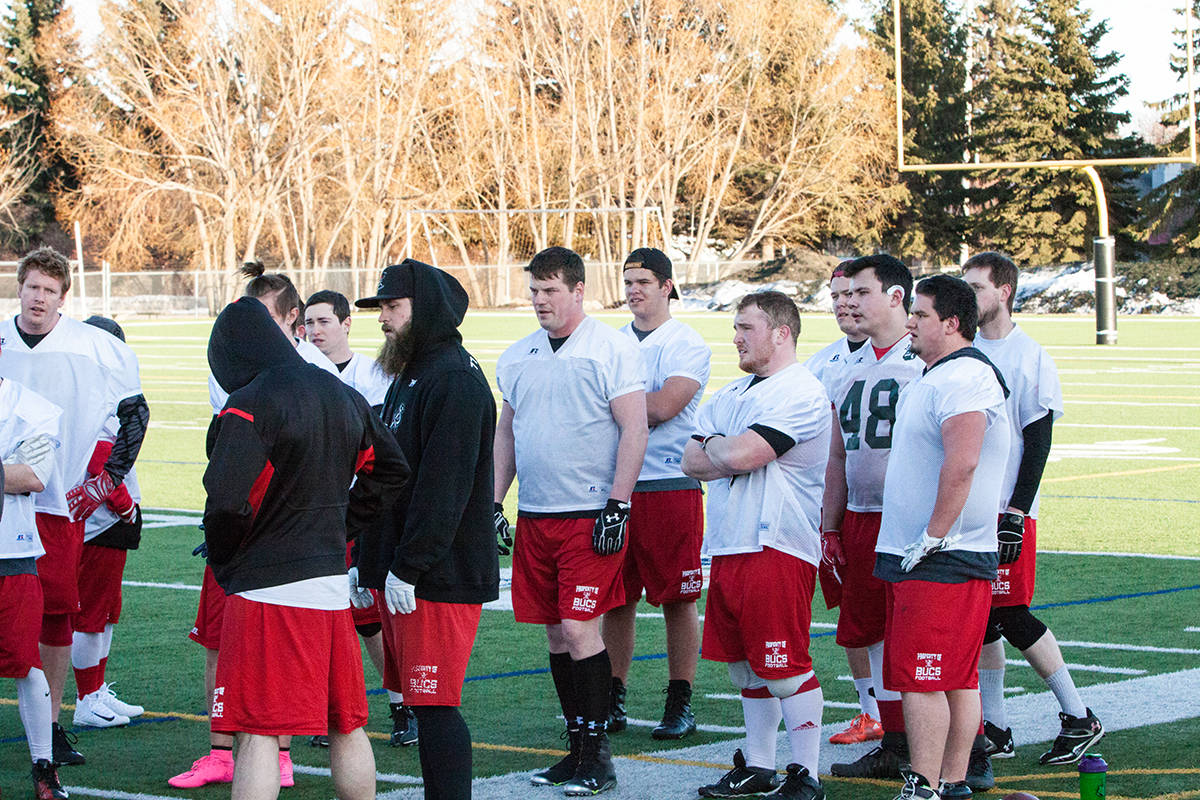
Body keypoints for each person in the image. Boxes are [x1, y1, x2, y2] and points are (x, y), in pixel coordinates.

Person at [202, 296, 408, 800]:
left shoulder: (249, 401)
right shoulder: (340, 393)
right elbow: (392, 471)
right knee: (347, 722)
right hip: (328, 583)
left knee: (258, 730)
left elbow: (226, 502)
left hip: (266, 585)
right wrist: (341, 527)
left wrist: (228, 558)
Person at [173, 266, 340, 789]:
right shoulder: (229, 368)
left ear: (290, 318)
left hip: (284, 538)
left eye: (265, 316)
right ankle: (221, 749)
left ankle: (278, 751)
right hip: (237, 532)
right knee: (216, 637)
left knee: (284, 654)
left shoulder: (317, 371)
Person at [493, 246, 647, 796]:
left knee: (581, 629)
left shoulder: (611, 348)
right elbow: (507, 432)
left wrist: (619, 502)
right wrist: (495, 501)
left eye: (551, 290)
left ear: (578, 290)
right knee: (557, 635)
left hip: (589, 513)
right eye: (535, 291)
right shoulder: (517, 355)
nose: (540, 301)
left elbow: (635, 429)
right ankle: (577, 747)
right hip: (537, 512)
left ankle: (599, 755)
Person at [352, 260, 500, 800]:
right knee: (421, 701)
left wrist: (408, 565)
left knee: (435, 704)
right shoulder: (411, 374)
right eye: (382, 309)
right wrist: (368, 559)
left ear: (426, 311)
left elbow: (446, 488)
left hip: (437, 573)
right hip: (406, 571)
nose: (384, 320)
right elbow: (390, 476)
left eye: (393, 308)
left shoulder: (453, 380)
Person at [0, 246, 149, 767]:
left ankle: (54, 721)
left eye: (50, 290)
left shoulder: (94, 346)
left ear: (64, 298)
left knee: (56, 618)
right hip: (1, 500)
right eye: (32, 286)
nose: (39, 297)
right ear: (19, 287)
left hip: (55, 508)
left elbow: (135, 415)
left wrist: (104, 481)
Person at [681, 291, 830, 800]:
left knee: (784, 665)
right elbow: (690, 461)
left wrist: (720, 447)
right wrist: (724, 450)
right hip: (728, 544)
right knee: (745, 665)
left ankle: (806, 774)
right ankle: (760, 766)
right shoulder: (731, 393)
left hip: (777, 544)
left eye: (747, 327)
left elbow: (742, 454)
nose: (737, 338)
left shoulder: (801, 391)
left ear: (781, 332)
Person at [963, 252, 1104, 765]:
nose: (969, 295)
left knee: (1011, 612)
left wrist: (1017, 512)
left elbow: (1037, 441)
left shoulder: (1029, 355)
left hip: (1005, 509)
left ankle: (1078, 714)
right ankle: (996, 725)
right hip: (969, 508)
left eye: (977, 287)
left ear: (1003, 291)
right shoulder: (963, 350)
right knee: (981, 621)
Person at [873, 274, 1010, 800]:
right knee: (953, 676)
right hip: (930, 552)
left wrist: (933, 534)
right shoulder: (939, 374)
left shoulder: (963, 377)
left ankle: (925, 783)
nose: (910, 322)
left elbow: (964, 460)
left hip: (942, 555)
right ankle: (950, 782)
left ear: (952, 323)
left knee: (924, 677)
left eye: (921, 315)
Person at [601, 248, 710, 740]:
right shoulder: (610, 341)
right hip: (617, 484)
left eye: (643, 281)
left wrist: (608, 399)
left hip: (669, 481)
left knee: (678, 599)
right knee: (615, 599)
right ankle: (611, 696)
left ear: (667, 285)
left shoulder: (686, 342)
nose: (634, 291)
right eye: (628, 282)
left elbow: (665, 406)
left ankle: (679, 700)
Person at [823, 255, 921, 774]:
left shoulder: (927, 362)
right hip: (860, 517)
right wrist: (830, 523)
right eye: (845, 294)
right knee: (871, 633)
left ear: (896, 297)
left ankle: (963, 746)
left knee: (919, 631)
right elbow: (838, 456)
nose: (849, 302)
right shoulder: (849, 368)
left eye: (861, 293)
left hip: (909, 519)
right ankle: (896, 739)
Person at [302, 289, 408, 749]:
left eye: (324, 321)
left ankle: (401, 703)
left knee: (369, 618)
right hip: (316, 513)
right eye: (309, 322)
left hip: (362, 511)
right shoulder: (300, 373)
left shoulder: (377, 373)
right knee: (324, 617)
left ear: (347, 324)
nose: (315, 330)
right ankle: (329, 710)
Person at [803, 261, 880, 746]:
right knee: (852, 617)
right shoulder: (821, 364)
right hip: (833, 509)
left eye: (853, 294)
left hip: (876, 510)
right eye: (835, 296)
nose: (844, 304)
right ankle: (870, 709)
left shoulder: (905, 357)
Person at [71, 317, 146, 729]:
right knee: (93, 612)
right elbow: (100, 459)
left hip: (107, 518)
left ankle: (96, 689)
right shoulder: (94, 392)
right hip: (99, 521)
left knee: (107, 611)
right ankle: (86, 698)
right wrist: (122, 506)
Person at [0, 360, 65, 798]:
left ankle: (45, 767)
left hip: (12, 552)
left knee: (26, 663)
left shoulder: (35, 409)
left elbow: (32, 475)